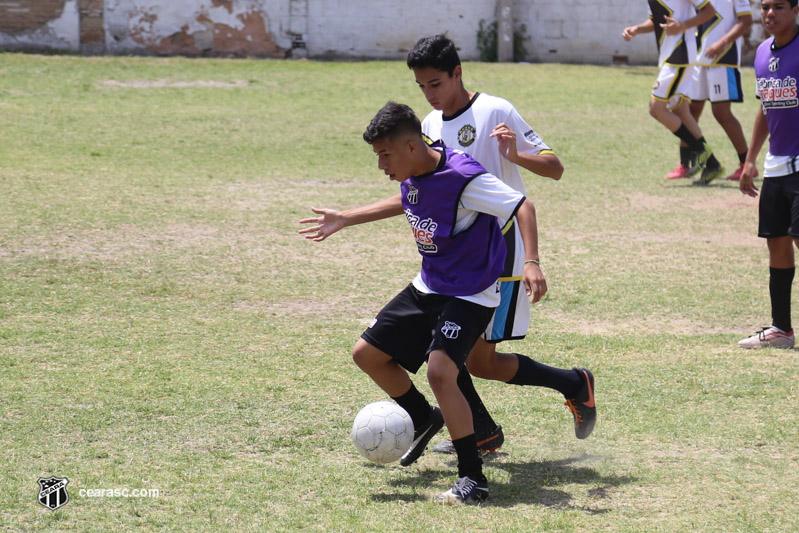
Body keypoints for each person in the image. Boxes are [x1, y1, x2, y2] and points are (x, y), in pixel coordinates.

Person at [406, 34, 596, 454]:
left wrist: (516, 156)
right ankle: (549, 395)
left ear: (458, 73)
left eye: (435, 83)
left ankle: (561, 388)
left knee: (468, 357)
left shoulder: (495, 110)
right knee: (467, 357)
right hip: (456, 258)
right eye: (422, 87)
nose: (429, 94)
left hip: (498, 255)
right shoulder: (429, 125)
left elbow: (555, 168)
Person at [349, 101, 543, 504]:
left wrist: (532, 262)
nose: (381, 164)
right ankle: (424, 419)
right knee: (366, 354)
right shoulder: (415, 171)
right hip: (431, 284)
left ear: (411, 147)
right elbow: (408, 201)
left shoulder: (463, 177)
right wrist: (345, 218)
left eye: (385, 154)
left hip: (472, 291)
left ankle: (473, 477)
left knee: (441, 372)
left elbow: (522, 205)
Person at [737, 0, 799, 349]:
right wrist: (750, 159)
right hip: (777, 165)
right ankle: (781, 330)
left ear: (796, 9)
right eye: (764, 7)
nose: (770, 14)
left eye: (778, 6)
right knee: (776, 242)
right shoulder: (761, 52)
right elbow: (765, 106)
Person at [623, 0, 727, 184]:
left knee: (656, 109)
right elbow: (657, 22)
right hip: (671, 56)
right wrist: (637, 29)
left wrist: (683, 26)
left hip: (680, 56)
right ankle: (712, 164)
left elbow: (710, 11)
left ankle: (700, 150)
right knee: (681, 111)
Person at [665, 0, 754, 181]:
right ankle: (685, 164)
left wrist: (723, 42)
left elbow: (746, 21)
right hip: (697, 60)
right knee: (689, 112)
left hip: (723, 59)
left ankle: (747, 164)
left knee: (721, 113)